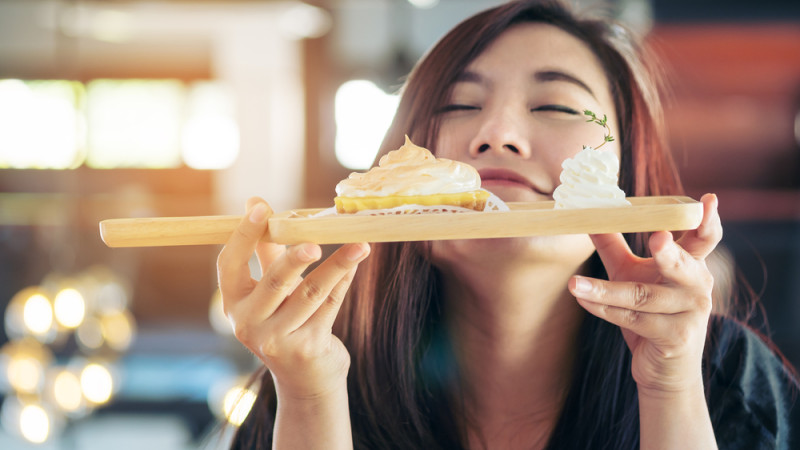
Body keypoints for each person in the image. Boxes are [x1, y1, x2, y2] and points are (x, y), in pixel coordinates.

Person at [215, 0, 799, 448]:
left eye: (558, 107)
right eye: (457, 106)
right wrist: (311, 394)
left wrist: (670, 385)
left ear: (629, 172)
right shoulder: (308, 371)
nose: (497, 133)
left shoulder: (721, 376)